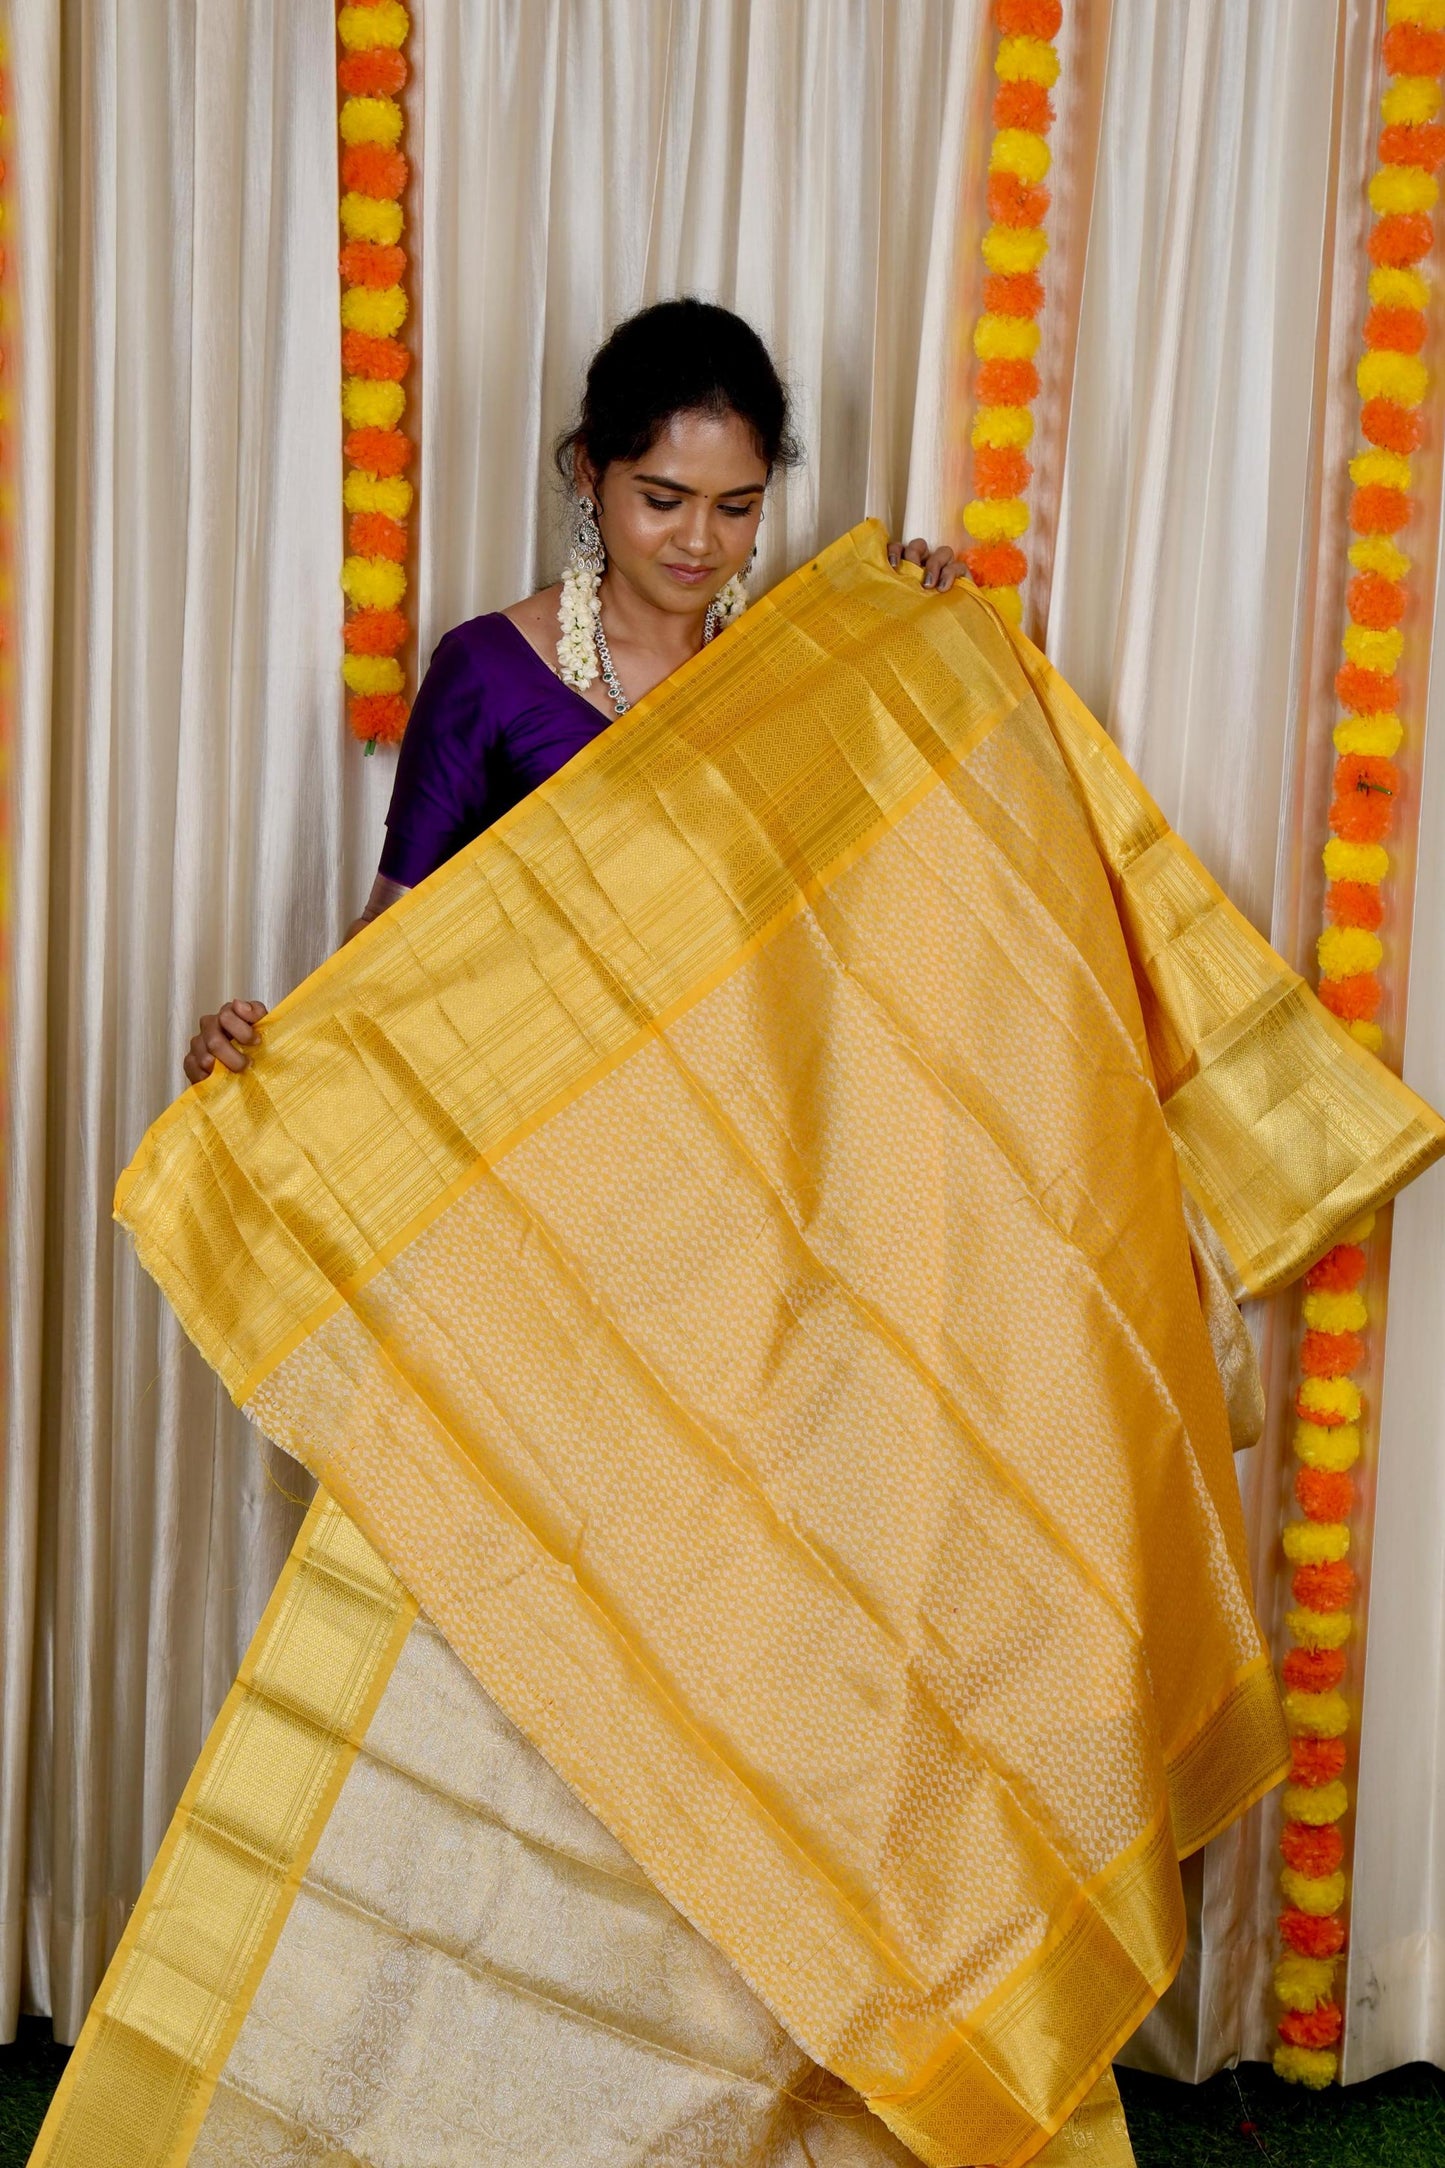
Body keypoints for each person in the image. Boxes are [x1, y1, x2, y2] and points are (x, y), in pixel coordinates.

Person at [184, 299, 960, 1085]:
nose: (699, 541)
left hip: (741, 1124)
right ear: (591, 470)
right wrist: (266, 1053)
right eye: (663, 500)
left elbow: (872, 906)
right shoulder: (488, 672)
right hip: (535, 1122)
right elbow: (390, 940)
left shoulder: (790, 673)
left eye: (737, 507)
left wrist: (922, 628)